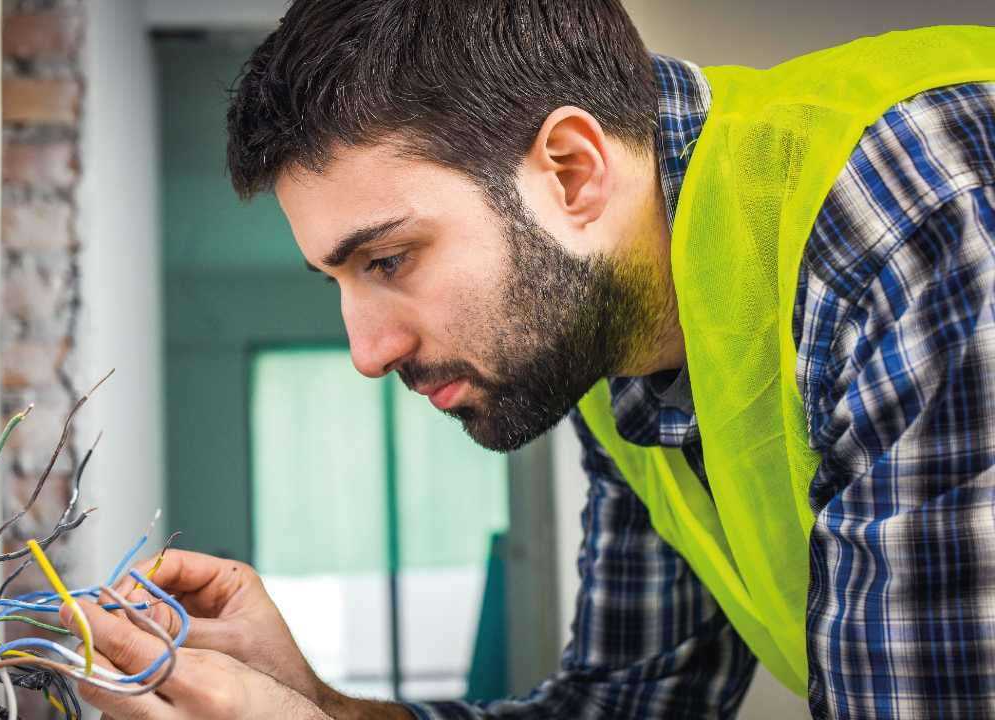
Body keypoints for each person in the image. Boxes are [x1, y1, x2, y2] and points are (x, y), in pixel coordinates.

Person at [57, 2, 995, 717]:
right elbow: (630, 704)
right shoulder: (608, 343)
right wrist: (317, 705)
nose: (367, 352)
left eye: (389, 260)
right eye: (336, 279)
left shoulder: (910, 213)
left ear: (572, 172)